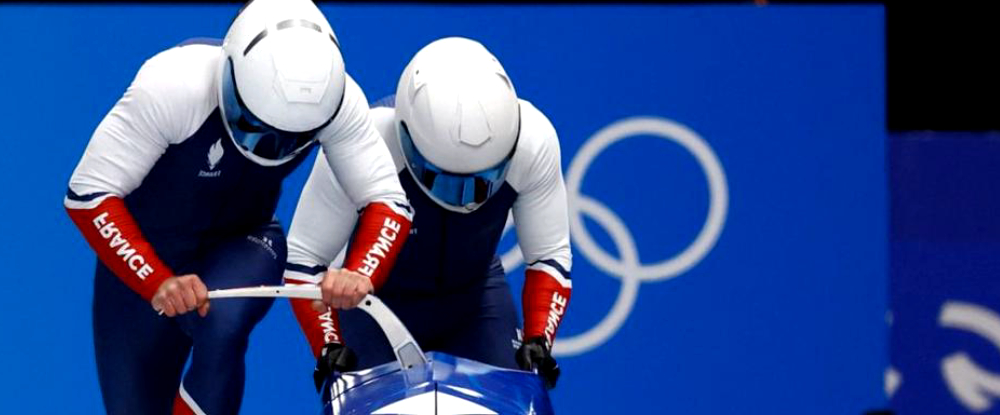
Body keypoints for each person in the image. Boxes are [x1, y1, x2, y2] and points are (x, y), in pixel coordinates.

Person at [63, 0, 412, 413]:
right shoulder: (172, 85)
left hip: (245, 243)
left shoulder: (339, 101)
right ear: (228, 75)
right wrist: (156, 280)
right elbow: (88, 193)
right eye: (254, 126)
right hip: (146, 253)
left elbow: (386, 199)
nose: (268, 148)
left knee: (222, 325)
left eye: (290, 139)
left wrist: (360, 273)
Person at [285, 37, 572, 392]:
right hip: (375, 309)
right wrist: (328, 344)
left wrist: (539, 339)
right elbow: (304, 256)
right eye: (447, 182)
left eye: (484, 181)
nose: (465, 200)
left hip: (475, 303)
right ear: (408, 142)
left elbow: (549, 255)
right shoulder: (365, 141)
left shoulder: (535, 142)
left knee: (522, 398)